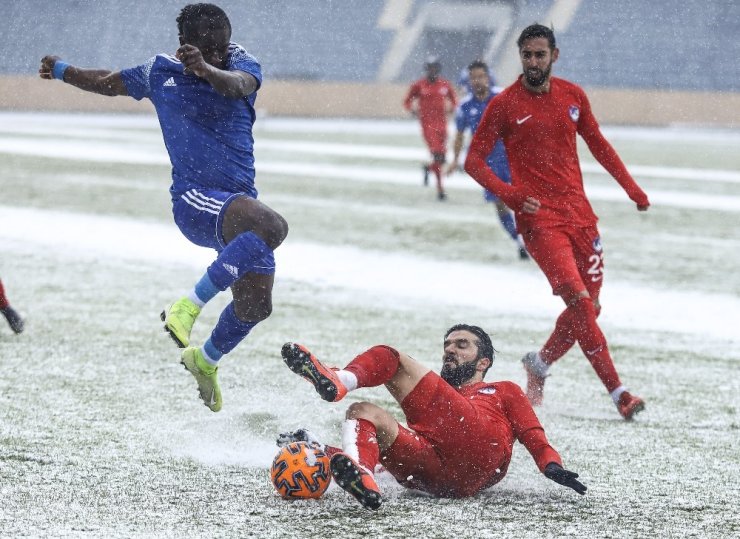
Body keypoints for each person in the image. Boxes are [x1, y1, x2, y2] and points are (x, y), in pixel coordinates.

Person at [39, 3, 288, 412]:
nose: (221, 52)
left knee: (257, 305)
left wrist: (209, 69)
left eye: (223, 44)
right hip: (194, 200)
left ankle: (204, 360)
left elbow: (239, 84)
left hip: (237, 204)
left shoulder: (240, 61)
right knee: (273, 228)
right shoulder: (159, 72)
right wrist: (63, 69)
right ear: (186, 45)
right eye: (210, 48)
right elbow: (107, 81)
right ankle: (186, 306)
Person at [463, 24, 649, 420]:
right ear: (520, 57)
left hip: (581, 217)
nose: (533, 62)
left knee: (590, 307)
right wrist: (510, 194)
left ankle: (540, 364)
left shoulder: (572, 96)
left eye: (539, 55)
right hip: (539, 222)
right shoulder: (505, 105)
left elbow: (599, 144)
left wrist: (632, 189)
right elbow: (473, 161)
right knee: (580, 303)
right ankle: (619, 393)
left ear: (554, 56)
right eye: (527, 55)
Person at [279, 324, 586, 510]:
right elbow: (390, 454)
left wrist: (551, 465)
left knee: (391, 358)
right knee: (363, 413)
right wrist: (322, 450)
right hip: (434, 478)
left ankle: (339, 380)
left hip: (479, 450)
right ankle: (364, 478)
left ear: (484, 362)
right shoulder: (435, 408)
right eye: (447, 345)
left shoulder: (503, 389)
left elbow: (533, 433)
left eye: (461, 345)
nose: (449, 350)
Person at [447, 60, 528, 260]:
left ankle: (535, 236)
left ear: (488, 77)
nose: (477, 80)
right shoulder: (465, 107)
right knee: (500, 204)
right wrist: (455, 160)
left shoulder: (502, 97)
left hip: (512, 157)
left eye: (481, 76)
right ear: (469, 80)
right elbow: (459, 135)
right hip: (487, 164)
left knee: (526, 200)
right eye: (473, 77)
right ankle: (519, 240)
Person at [403, 57, 457, 200]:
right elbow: (407, 101)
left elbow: (454, 100)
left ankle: (429, 168)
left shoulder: (445, 85)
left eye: (435, 68)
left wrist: (453, 108)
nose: (432, 71)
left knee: (441, 158)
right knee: (438, 155)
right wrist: (412, 109)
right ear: (426, 69)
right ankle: (440, 190)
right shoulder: (419, 85)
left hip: (442, 126)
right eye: (429, 68)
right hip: (428, 126)